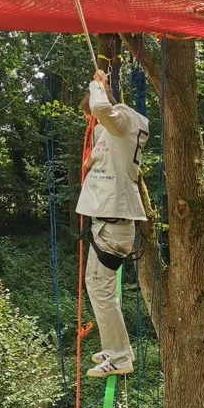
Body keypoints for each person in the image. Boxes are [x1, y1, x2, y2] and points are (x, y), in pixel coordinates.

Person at [75, 69, 149, 379]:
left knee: (100, 290)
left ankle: (120, 355)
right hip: (104, 224)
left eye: (89, 117)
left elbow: (102, 110)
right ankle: (115, 347)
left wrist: (97, 85)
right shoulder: (108, 132)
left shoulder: (123, 120)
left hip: (114, 225)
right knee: (97, 287)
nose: (89, 122)